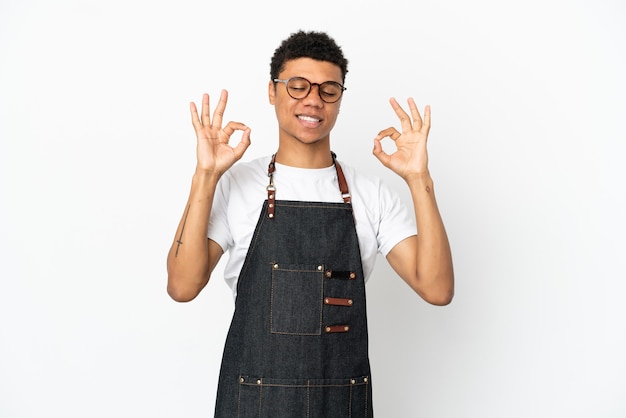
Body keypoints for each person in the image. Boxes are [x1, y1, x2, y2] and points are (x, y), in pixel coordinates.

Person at [167, 30, 454, 417]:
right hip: (253, 403)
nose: (313, 101)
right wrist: (205, 175)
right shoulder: (236, 184)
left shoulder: (370, 193)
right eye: (298, 86)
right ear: (272, 91)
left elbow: (437, 289)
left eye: (328, 90)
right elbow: (182, 286)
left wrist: (420, 178)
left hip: (339, 403)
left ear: (339, 99)